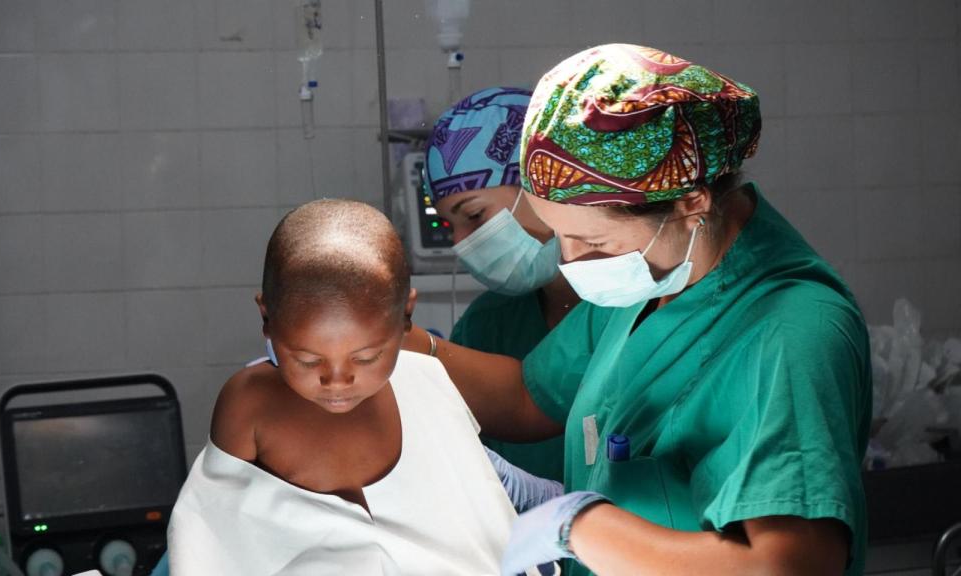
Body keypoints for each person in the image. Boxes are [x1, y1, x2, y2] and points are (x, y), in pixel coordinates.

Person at [404, 44, 872, 576]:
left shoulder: (791, 331)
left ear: (690, 203)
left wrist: (582, 526)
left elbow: (789, 566)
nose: (572, 262)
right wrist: (394, 337)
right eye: (558, 236)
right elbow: (528, 395)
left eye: (595, 244)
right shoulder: (652, 282)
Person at [166, 199, 541, 576]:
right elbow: (208, 539)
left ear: (406, 316)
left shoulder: (427, 383)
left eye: (364, 358)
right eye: (308, 360)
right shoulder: (252, 404)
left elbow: (478, 526)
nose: (337, 380)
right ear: (267, 318)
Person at [425, 87, 581, 483]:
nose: (461, 243)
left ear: (543, 185)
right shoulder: (487, 325)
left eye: (475, 216)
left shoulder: (629, 303)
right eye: (450, 227)